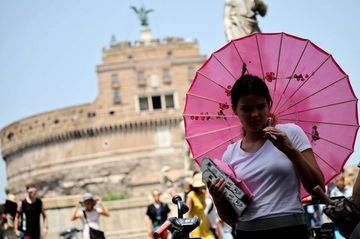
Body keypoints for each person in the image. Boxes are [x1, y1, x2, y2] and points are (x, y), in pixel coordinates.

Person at [206, 74, 325, 239]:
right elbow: (232, 219)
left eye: (260, 106)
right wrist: (218, 198)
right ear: (234, 109)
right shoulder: (230, 155)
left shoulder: (291, 133)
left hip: (290, 230)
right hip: (247, 233)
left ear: (269, 105)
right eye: (246, 108)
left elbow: (318, 189)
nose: (254, 114)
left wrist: (291, 151)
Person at [185, 172, 216, 239]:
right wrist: (189, 231)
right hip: (196, 227)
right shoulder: (191, 196)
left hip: (205, 224)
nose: (203, 186)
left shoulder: (203, 193)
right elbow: (187, 215)